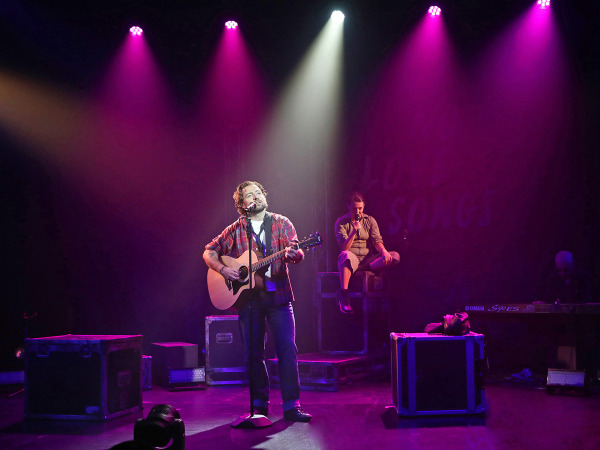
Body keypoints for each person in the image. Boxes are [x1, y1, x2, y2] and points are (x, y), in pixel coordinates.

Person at [203, 181, 312, 422]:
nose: (256, 197)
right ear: (242, 205)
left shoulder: (282, 223)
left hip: (279, 296)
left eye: (258, 193)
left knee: (287, 349)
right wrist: (223, 269)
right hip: (249, 301)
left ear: (264, 195)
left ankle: (292, 406)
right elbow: (209, 251)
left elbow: (297, 251)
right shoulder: (236, 228)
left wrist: (297, 254)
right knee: (254, 354)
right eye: (249, 195)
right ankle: (259, 406)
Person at [334, 191, 400, 313]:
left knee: (395, 256)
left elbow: (376, 240)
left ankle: (365, 268)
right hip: (351, 257)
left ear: (364, 206)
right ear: (349, 207)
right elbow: (344, 248)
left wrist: (384, 251)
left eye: (360, 208)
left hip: (368, 260)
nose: (358, 212)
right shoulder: (341, 222)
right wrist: (354, 231)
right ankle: (344, 295)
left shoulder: (370, 220)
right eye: (355, 208)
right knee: (345, 255)